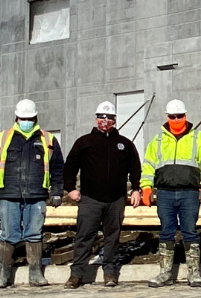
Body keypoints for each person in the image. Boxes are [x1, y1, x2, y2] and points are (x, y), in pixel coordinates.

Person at [0, 99, 64, 288]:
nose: (26, 121)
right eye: (22, 118)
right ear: (16, 118)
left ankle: (35, 274)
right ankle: (4, 274)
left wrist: (57, 191)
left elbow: (58, 167)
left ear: (35, 117)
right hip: (9, 194)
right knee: (9, 234)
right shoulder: (3, 138)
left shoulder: (48, 139)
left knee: (34, 234)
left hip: (36, 194)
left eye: (29, 118)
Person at [62, 101, 143, 288]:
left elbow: (135, 168)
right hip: (90, 199)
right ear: (96, 119)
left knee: (112, 237)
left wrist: (136, 189)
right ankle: (77, 275)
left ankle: (110, 272)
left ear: (114, 120)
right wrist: (71, 188)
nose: (104, 121)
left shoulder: (124, 144)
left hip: (116, 200)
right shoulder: (84, 142)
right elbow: (70, 166)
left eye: (109, 118)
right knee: (84, 237)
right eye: (101, 117)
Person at [140, 99, 201, 288]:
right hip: (165, 193)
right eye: (172, 116)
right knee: (166, 232)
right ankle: (165, 273)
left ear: (185, 116)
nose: (176, 119)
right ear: (167, 117)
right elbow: (148, 165)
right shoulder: (158, 140)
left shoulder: (198, 138)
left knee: (190, 232)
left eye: (179, 116)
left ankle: (194, 274)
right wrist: (146, 187)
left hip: (189, 193)